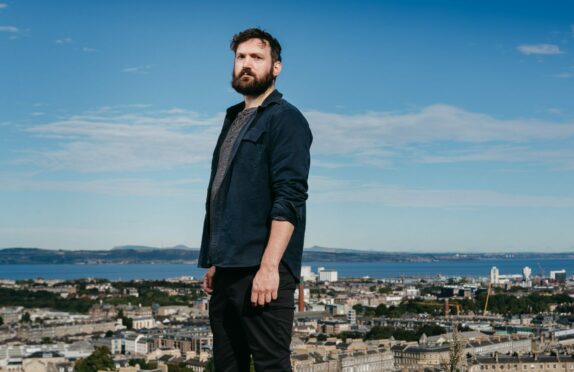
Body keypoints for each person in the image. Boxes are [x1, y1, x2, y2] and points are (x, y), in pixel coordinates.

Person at [198, 28, 312, 371]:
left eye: (257, 58)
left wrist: (269, 267)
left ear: (275, 67)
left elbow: (290, 197)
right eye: (241, 57)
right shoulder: (234, 118)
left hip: (262, 270)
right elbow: (227, 196)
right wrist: (218, 259)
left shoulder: (285, 119)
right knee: (227, 365)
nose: (246, 64)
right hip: (228, 269)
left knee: (270, 366)